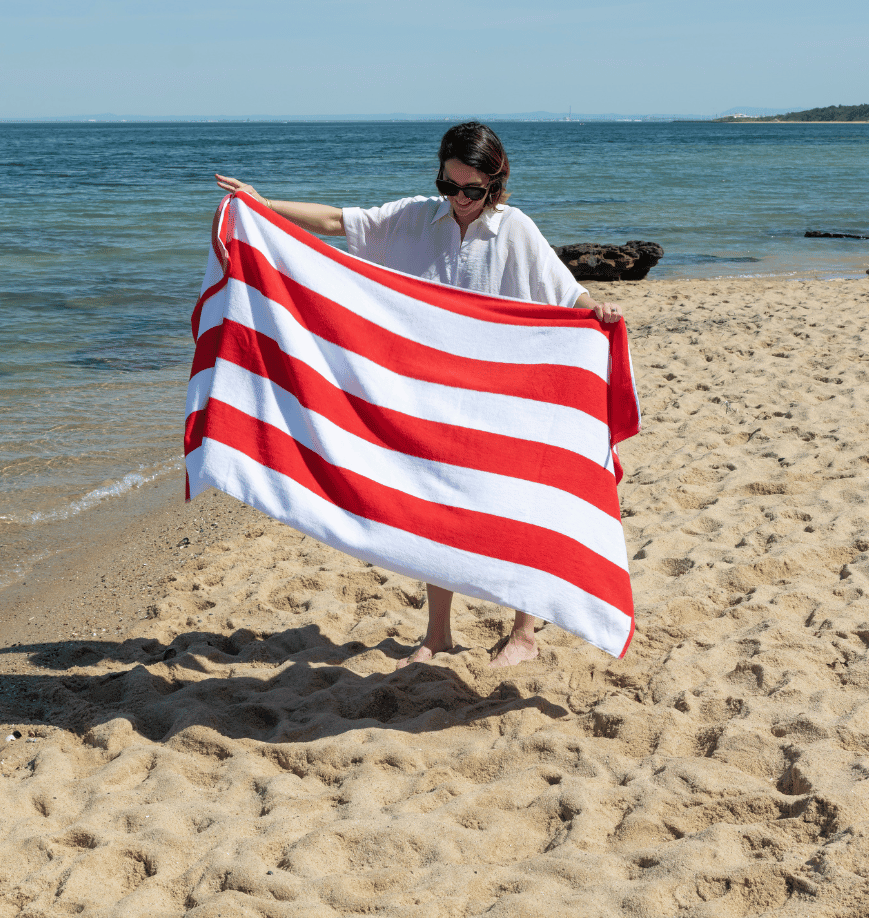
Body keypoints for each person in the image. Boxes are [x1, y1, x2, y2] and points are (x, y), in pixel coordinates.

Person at [213, 122, 622, 669]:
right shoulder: (414, 218)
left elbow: (567, 295)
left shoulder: (515, 231)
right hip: (433, 394)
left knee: (525, 501)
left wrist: (599, 312)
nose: (459, 200)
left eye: (472, 190)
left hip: (502, 391)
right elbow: (340, 221)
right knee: (437, 499)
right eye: (449, 185)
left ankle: (524, 633)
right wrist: (263, 206)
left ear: (496, 184)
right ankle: (438, 633)